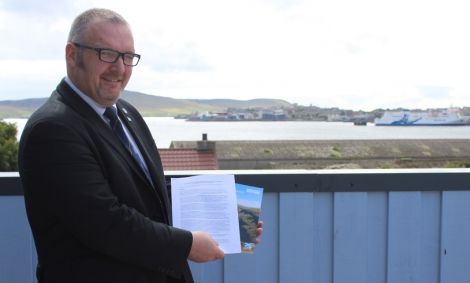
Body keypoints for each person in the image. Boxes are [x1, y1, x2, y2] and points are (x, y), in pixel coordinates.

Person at [18, 8, 262, 283]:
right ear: (72, 54)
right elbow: (106, 222)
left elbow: (148, 193)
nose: (120, 68)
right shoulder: (52, 129)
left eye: (128, 57)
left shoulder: (126, 113)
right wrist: (186, 245)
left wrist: (231, 214)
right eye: (106, 54)